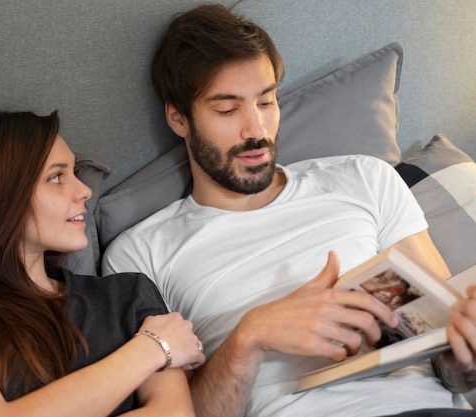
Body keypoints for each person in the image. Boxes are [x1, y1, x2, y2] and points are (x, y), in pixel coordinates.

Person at [102, 4, 476, 417]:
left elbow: (444, 352)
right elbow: (179, 413)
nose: (256, 131)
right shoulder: (140, 255)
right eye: (227, 110)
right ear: (179, 118)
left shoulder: (365, 179)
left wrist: (466, 356)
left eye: (266, 102)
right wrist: (251, 335)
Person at [0, 108, 206, 417]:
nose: (84, 191)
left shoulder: (126, 295)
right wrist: (150, 348)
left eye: (74, 172)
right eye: (56, 177)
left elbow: (174, 414)